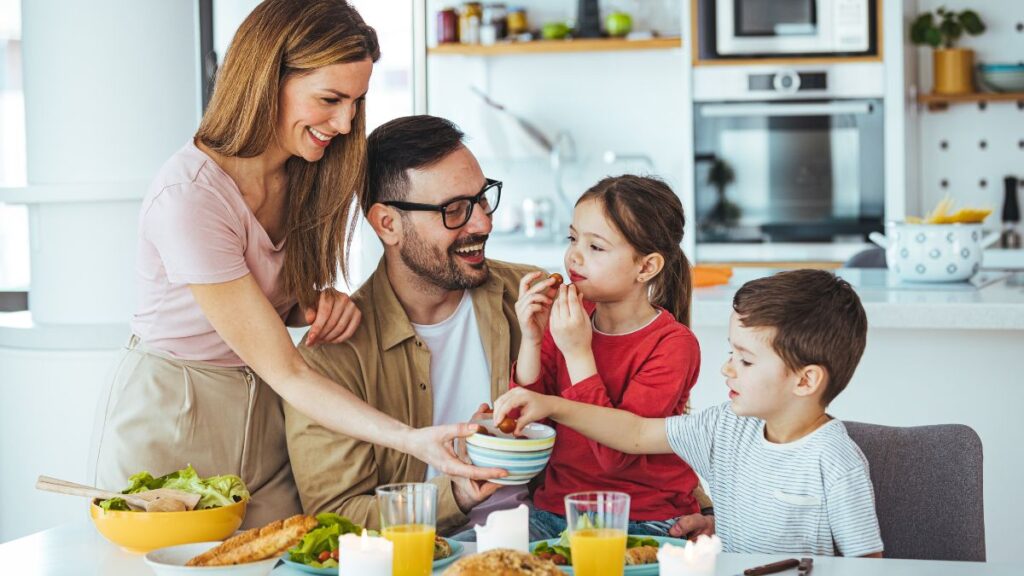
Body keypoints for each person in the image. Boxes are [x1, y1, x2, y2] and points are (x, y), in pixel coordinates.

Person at [88, 1, 498, 529]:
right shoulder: (190, 196)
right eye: (330, 99)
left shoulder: (306, 173)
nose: (346, 122)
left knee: (283, 557)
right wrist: (410, 438)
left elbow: (262, 316)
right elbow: (286, 367)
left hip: (266, 410)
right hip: (177, 410)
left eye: (356, 101)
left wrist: (307, 303)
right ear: (265, 79)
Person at [495, 269, 885, 557]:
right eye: (732, 353)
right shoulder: (724, 426)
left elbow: (870, 566)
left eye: (745, 361)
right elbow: (632, 432)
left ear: (805, 381)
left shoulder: (835, 460)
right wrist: (550, 404)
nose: (727, 369)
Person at [284, 115, 538, 535]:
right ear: (387, 224)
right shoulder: (330, 355)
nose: (482, 223)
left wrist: (683, 501)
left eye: (482, 198)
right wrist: (454, 494)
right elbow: (336, 516)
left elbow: (623, 411)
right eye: (454, 210)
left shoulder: (529, 298)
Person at [510, 175, 705, 540]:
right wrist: (532, 338)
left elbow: (617, 455)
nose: (574, 255)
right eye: (573, 239)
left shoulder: (673, 345)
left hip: (644, 520)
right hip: (556, 511)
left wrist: (578, 352)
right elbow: (529, 425)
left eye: (596, 247)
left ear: (646, 267)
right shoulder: (568, 318)